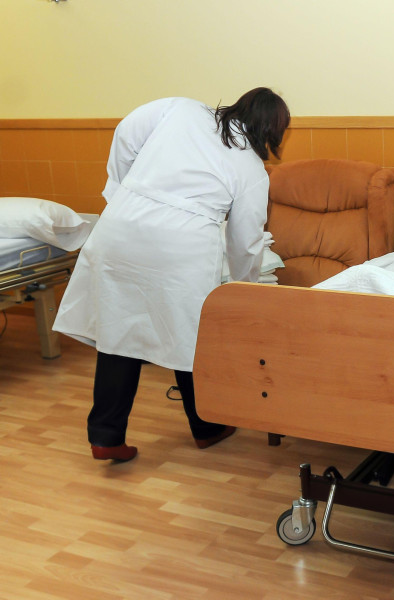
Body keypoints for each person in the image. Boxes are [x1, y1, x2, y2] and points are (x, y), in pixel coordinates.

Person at [53, 87, 290, 462]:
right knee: (193, 338)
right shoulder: (251, 169)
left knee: (118, 332)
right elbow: (245, 242)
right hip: (181, 248)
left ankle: (105, 437)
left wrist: (121, 191)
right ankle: (207, 429)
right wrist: (243, 288)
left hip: (121, 228)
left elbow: (126, 132)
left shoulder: (180, 110)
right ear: (272, 132)